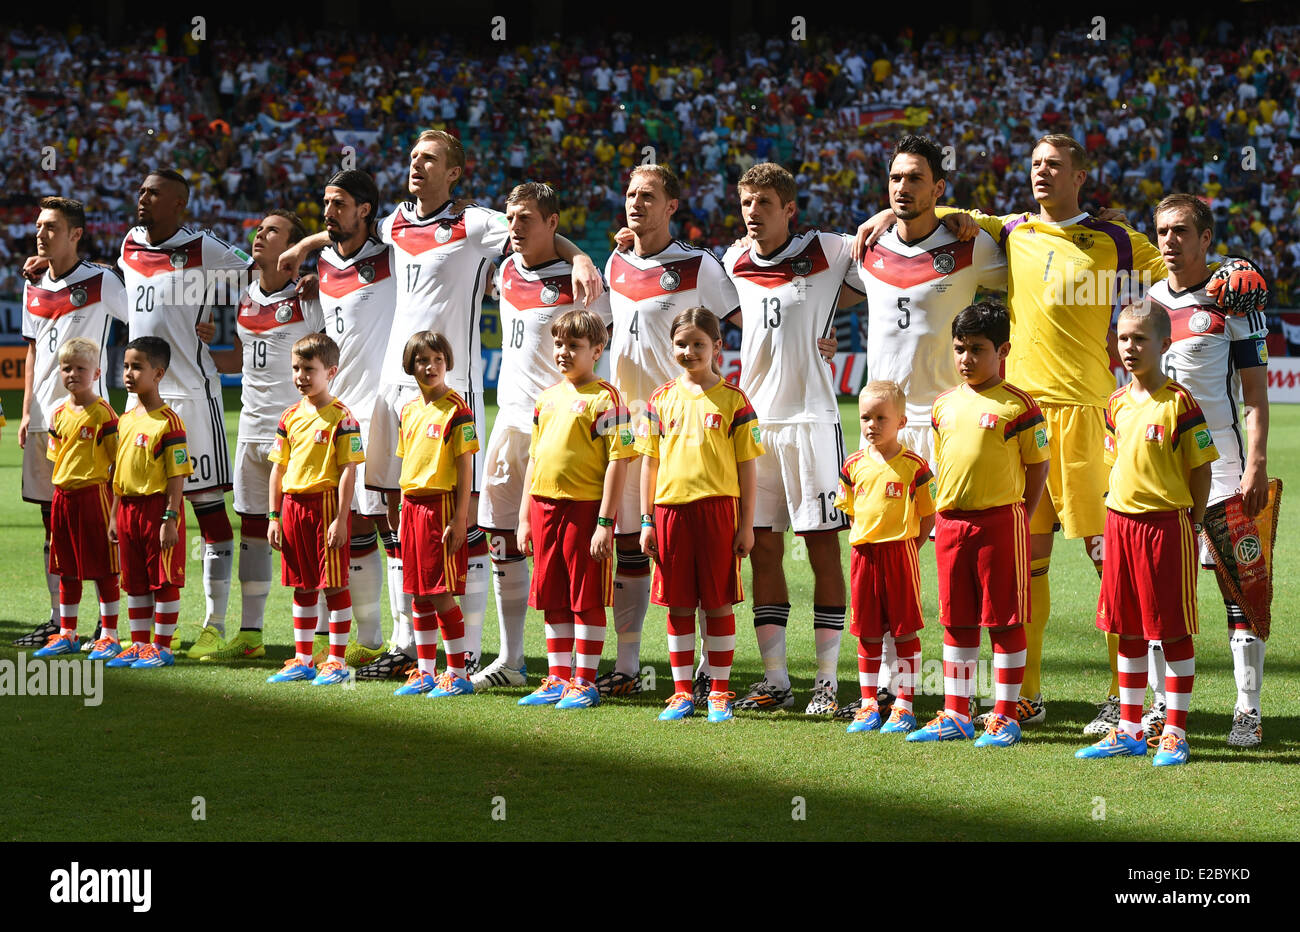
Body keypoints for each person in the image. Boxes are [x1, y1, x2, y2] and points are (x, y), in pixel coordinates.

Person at [859, 134, 1166, 732]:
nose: (1042, 173)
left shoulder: (1116, 242)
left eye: (1055, 165)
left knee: (1111, 561)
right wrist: (878, 213)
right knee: (1026, 564)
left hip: (1087, 415)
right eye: (1035, 165)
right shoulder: (1012, 231)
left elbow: (1172, 275)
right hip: (1018, 417)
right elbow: (938, 210)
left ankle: (1123, 696)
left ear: (1081, 175)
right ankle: (1024, 695)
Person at [282, 131, 604, 679]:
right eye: (412, 157)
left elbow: (537, 229)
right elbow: (348, 227)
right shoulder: (394, 223)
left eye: (428, 159)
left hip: (449, 389)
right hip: (393, 389)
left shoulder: (477, 223)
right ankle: (409, 644)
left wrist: (580, 257)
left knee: (465, 519)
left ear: (453, 172)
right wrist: (305, 245)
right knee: (393, 511)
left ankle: (470, 652)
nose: (416, 165)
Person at [838, 134, 1005, 720]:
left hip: (946, 428)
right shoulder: (868, 243)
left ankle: (982, 692)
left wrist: (968, 217)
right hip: (882, 433)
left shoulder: (970, 243)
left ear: (939, 187)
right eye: (894, 179)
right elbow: (788, 259)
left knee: (960, 563)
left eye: (915, 179)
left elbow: (1030, 258)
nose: (902, 188)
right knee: (882, 562)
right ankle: (891, 689)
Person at [722, 161, 860, 714]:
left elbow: (890, 235)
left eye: (763, 204)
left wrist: (824, 316)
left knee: (823, 547)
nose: (752, 214)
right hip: (758, 427)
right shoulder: (732, 260)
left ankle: (826, 683)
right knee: (762, 550)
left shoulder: (828, 250)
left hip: (811, 423)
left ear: (789, 209)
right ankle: (776, 679)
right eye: (745, 204)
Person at [600, 164, 740, 700]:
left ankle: (708, 670)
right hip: (626, 428)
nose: (636, 203)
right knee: (630, 549)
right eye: (631, 193)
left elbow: (743, 316)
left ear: (670, 206)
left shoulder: (697, 266)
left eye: (648, 196)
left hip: (681, 431)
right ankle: (629, 665)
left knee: (696, 554)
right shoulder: (614, 262)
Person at [474, 183, 611, 691]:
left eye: (527, 218)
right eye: (511, 217)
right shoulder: (504, 271)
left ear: (553, 222)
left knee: (577, 551)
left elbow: (603, 345)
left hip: (562, 428)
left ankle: (589, 670)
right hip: (511, 421)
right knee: (500, 536)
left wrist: (579, 256)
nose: (515, 226)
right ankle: (512, 659)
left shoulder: (583, 282)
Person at [1144, 194, 1271, 747]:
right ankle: (1159, 707)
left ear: (1205, 239)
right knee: (1161, 590)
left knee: (1238, 586)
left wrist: (1257, 465)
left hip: (1222, 466)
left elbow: (1256, 396)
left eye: (1180, 232)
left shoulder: (1235, 301)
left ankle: (1248, 708)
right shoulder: (1145, 303)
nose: (1169, 242)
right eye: (1162, 232)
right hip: (1160, 469)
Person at [116, 170, 255, 657]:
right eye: (141, 191)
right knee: (138, 512)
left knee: (207, 508)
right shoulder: (129, 243)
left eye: (153, 193)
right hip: (139, 403)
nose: (142, 198)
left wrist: (229, 326)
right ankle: (145, 632)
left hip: (192, 397)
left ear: (179, 203)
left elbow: (255, 273)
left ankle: (214, 624)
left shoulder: (203, 248)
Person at [1076, 301, 1217, 766]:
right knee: (1127, 629)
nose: (1130, 347)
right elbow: (1116, 462)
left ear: (1164, 344)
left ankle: (1174, 730)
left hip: (1166, 526)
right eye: (1123, 338)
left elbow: (1201, 470)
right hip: (1120, 525)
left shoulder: (1180, 402)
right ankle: (1131, 729)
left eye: (1140, 339)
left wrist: (1192, 522)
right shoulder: (1115, 403)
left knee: (1172, 630)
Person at [908, 302, 1049, 747]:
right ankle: (957, 712)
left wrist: (1022, 516)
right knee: (957, 621)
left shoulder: (1021, 406)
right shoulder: (943, 405)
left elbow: (1038, 468)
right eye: (959, 348)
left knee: (1005, 621)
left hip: (999, 523)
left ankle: (1005, 716)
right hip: (951, 524)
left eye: (977, 349)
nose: (966, 358)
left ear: (1002, 350)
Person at [207, 210, 325, 662]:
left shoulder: (307, 293)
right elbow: (243, 359)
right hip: (251, 430)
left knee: (306, 533)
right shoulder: (245, 293)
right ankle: (251, 633)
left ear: (292, 246)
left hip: (298, 433)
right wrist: (209, 349)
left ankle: (320, 638)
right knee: (255, 530)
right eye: (259, 229)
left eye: (272, 231)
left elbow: (331, 354)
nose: (260, 235)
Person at [637, 307, 762, 723]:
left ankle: (720, 693)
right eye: (681, 344)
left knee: (718, 603)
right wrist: (646, 520)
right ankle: (681, 693)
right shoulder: (660, 398)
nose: (689, 351)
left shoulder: (734, 401)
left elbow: (747, 467)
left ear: (717, 347)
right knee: (677, 604)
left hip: (718, 513)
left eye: (698, 344)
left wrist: (746, 525)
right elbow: (649, 465)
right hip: (670, 513)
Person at [14, 197, 127, 648]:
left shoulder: (101, 280)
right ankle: (61, 621)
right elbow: (32, 351)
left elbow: (141, 316)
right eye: (39, 226)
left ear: (75, 234)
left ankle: (108, 622)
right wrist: (26, 411)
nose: (41, 234)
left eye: (52, 227)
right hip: (44, 419)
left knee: (99, 521)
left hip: (88, 421)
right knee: (52, 523)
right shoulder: (33, 282)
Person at [516, 309, 634, 709]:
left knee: (585, 597)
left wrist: (605, 521)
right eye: (559, 344)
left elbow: (619, 461)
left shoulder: (606, 398)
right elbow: (534, 459)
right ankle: (556, 677)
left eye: (574, 346)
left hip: (585, 512)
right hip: (543, 508)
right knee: (553, 596)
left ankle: (584, 681)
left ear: (597, 350)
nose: (563, 352)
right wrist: (522, 517)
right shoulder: (546, 398)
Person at [835, 379, 936, 734]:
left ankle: (904, 706)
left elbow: (928, 515)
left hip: (900, 554)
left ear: (901, 422)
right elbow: (850, 511)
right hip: (863, 555)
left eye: (881, 417)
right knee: (867, 632)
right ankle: (867, 706)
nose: (871, 425)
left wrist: (910, 545)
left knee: (904, 630)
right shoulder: (852, 465)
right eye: (865, 418)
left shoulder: (915, 466)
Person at [265, 334, 364, 686]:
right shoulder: (289, 416)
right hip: (293, 508)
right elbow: (278, 468)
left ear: (331, 371)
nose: (301, 376)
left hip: (325, 508)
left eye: (309, 369)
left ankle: (336, 660)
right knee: (302, 585)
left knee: (334, 585)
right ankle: (303, 659)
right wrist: (274, 516)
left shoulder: (343, 418)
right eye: (296, 368)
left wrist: (340, 517)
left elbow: (349, 470)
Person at [392, 331, 480, 697]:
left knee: (442, 593)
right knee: (417, 594)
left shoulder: (458, 409)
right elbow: (408, 463)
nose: (430, 367)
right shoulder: (409, 410)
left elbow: (465, 468)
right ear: (410, 366)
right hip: (411, 508)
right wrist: (400, 509)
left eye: (437, 360)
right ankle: (425, 672)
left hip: (440, 507)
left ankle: (458, 674)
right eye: (422, 360)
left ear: (448, 362)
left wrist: (460, 518)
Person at [105, 336, 193, 669]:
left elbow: (177, 475)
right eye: (126, 366)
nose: (128, 373)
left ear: (158, 374)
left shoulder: (169, 421)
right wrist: (114, 515)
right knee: (135, 580)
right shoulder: (125, 419)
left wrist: (170, 517)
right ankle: (140, 644)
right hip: (127, 510)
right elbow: (117, 473)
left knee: (164, 579)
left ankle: (162, 647)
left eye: (137, 367)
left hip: (158, 509)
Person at [32, 338, 122, 660]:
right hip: (63, 499)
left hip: (94, 496)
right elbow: (58, 458)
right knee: (65, 566)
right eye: (66, 368)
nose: (72, 374)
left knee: (103, 568)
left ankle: (109, 635)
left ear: (96, 372)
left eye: (80, 368)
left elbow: (117, 463)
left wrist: (114, 509)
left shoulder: (104, 414)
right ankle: (67, 633)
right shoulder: (58, 414)